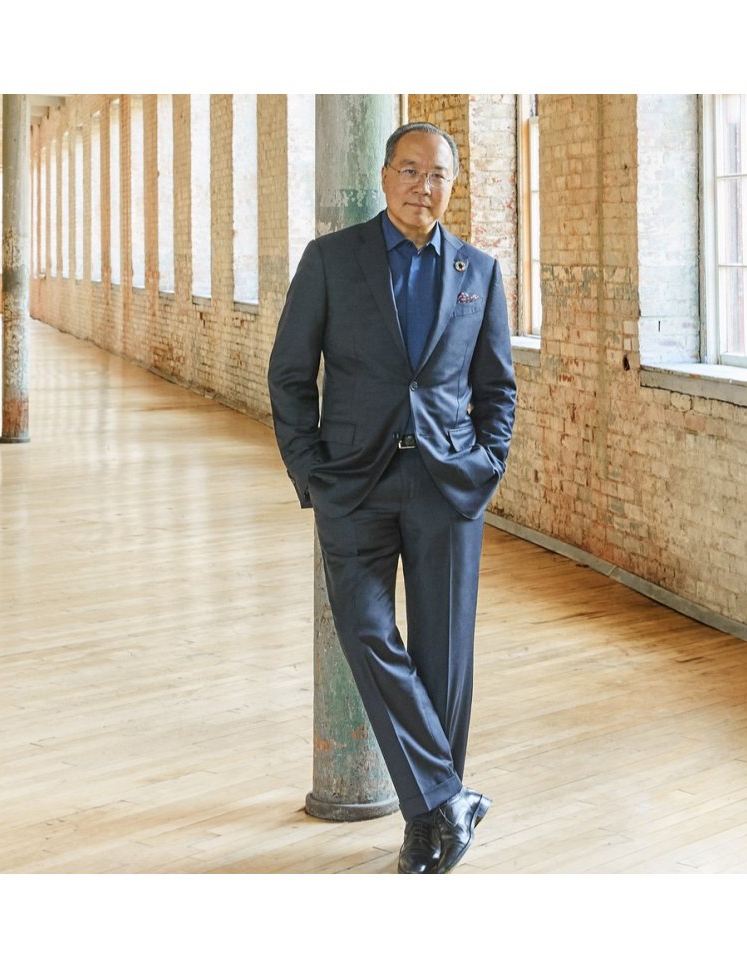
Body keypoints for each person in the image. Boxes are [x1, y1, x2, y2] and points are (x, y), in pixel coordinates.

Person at [268, 122, 516, 873]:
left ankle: (426, 820)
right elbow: (288, 374)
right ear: (384, 177)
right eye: (410, 170)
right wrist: (312, 471)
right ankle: (448, 795)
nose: (423, 186)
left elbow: (496, 388)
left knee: (444, 659)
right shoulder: (331, 260)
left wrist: (486, 463)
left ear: (452, 186)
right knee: (367, 630)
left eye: (438, 175)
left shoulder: (479, 269)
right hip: (354, 480)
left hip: (447, 487)